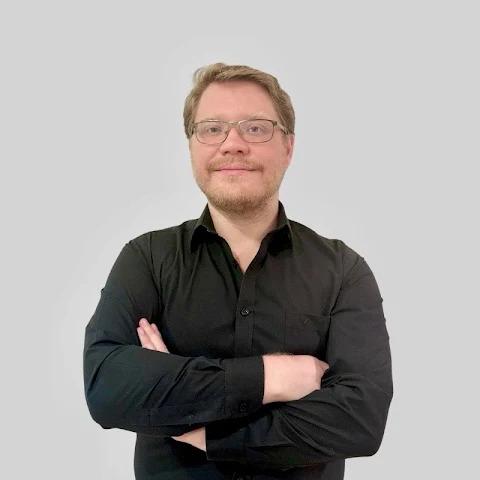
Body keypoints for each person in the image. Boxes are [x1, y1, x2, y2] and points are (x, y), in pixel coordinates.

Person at [83, 62, 393, 480]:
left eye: (256, 128)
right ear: (192, 147)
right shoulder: (147, 259)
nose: (232, 144)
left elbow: (360, 421)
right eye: (212, 129)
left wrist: (194, 423)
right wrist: (272, 377)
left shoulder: (343, 270)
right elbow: (107, 388)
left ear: (288, 147)